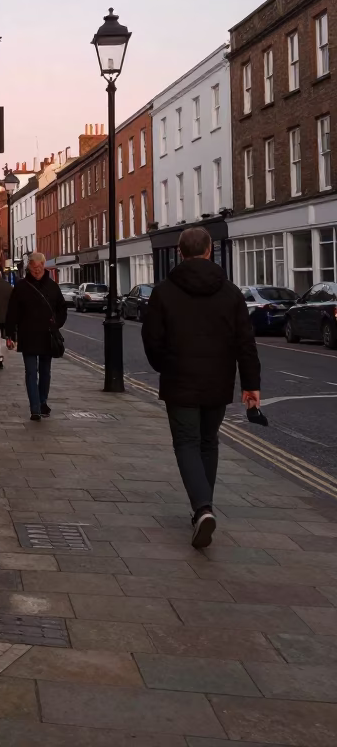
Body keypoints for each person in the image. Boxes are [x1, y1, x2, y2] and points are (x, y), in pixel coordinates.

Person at [141, 226, 261, 549]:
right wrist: (251, 385)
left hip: (179, 381)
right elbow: (245, 343)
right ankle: (202, 509)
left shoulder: (164, 291)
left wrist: (164, 365)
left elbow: (151, 339)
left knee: (186, 443)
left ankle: (202, 508)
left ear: (180, 253)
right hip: (218, 381)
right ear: (209, 251)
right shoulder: (231, 292)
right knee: (208, 442)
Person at [4, 252, 67, 421]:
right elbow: (12, 311)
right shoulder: (21, 286)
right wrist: (10, 334)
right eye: (33, 267)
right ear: (29, 267)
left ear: (44, 266)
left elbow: (62, 308)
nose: (37, 270)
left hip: (47, 335)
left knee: (45, 372)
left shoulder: (53, 287)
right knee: (31, 372)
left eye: (39, 267)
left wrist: (56, 324)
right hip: (28, 335)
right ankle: (35, 408)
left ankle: (42, 401)